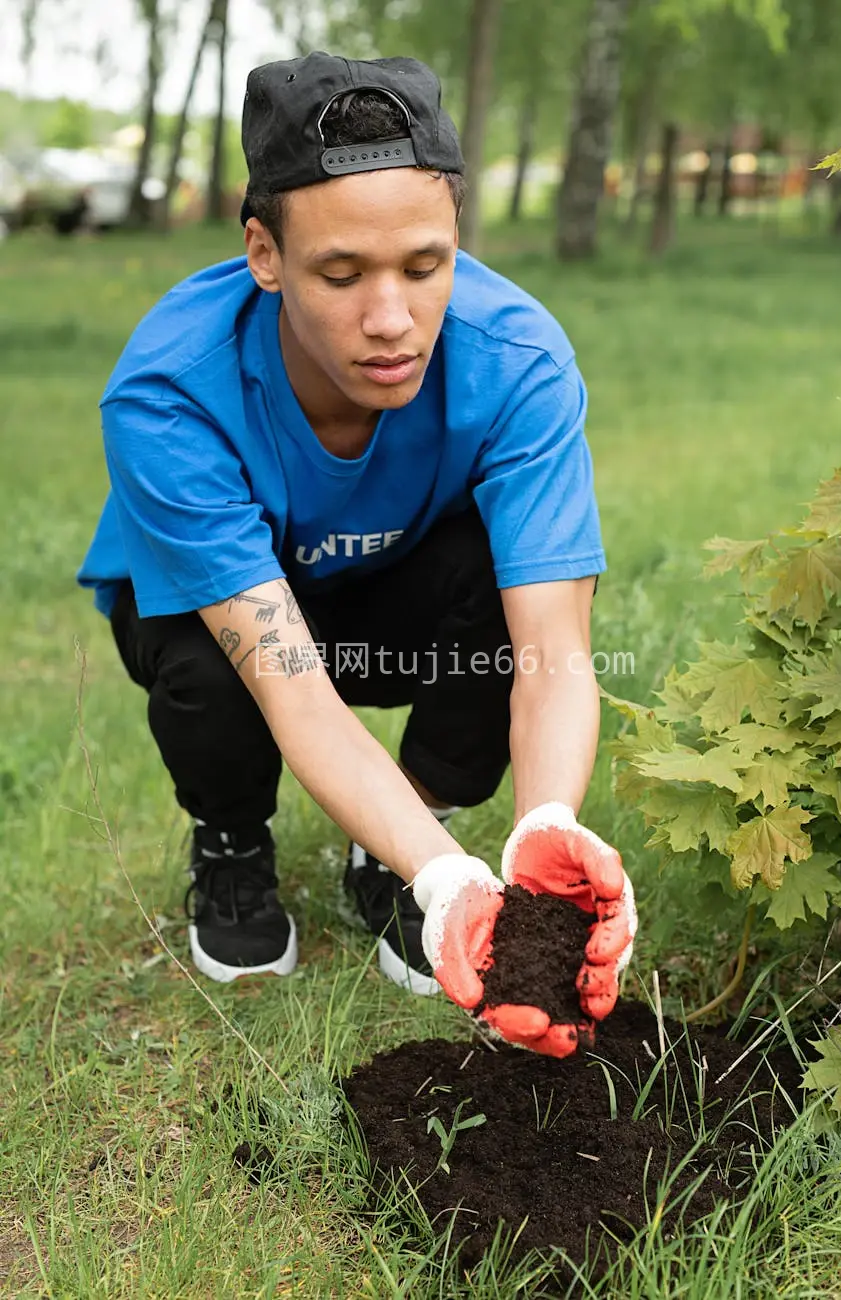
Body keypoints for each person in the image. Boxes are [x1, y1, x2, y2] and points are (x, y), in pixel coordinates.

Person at [77, 51, 636, 1056]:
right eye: (340, 274)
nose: (391, 320)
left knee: (500, 584)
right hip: (236, 630)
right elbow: (291, 688)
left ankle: (401, 831)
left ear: (456, 238)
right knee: (208, 669)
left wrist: (537, 832)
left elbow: (554, 652)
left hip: (393, 602)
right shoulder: (169, 393)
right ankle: (233, 842)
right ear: (264, 252)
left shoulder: (519, 361)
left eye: (425, 267)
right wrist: (446, 875)